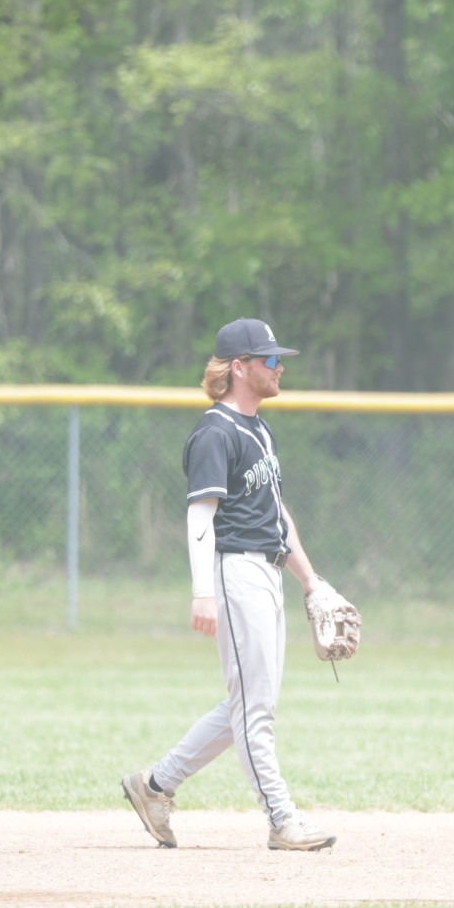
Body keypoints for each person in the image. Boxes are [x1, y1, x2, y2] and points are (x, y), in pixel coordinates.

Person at [120, 317, 337, 852]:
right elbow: (200, 517)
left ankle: (154, 787)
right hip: (234, 571)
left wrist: (312, 581)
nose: (278, 366)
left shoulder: (260, 429)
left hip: (267, 571)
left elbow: (277, 514)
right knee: (254, 707)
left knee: (249, 700)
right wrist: (202, 593)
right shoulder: (215, 431)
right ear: (239, 368)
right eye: (268, 359)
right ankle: (282, 819)